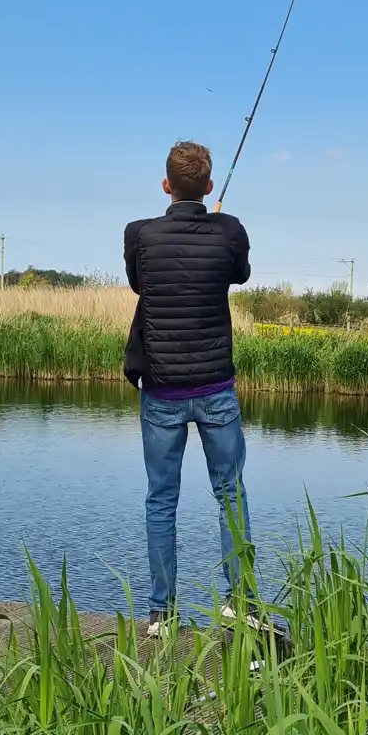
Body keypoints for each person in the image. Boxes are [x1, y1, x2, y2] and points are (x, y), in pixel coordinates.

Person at [123, 141, 254, 636]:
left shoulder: (140, 235)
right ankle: (238, 603)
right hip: (216, 387)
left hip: (161, 393)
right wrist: (214, 223)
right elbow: (238, 272)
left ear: (165, 186)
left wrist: (201, 225)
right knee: (231, 495)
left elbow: (140, 283)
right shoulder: (229, 230)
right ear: (208, 185)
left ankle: (161, 612)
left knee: (161, 499)